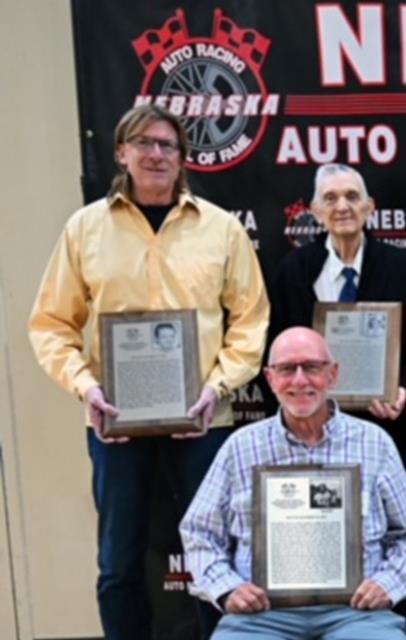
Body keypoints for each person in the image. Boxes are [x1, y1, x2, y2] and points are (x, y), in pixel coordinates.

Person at [28, 104, 269, 640]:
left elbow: (252, 321)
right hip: (115, 422)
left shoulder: (221, 228)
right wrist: (85, 386)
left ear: (183, 157)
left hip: (205, 418)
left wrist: (216, 386)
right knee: (119, 560)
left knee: (217, 557)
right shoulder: (84, 229)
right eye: (144, 143)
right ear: (121, 152)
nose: (156, 154)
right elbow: (50, 324)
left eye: (167, 145)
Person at [180, 327, 406, 639]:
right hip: (261, 616)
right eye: (287, 369)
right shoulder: (240, 447)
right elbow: (199, 531)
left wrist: (387, 583)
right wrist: (227, 588)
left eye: (312, 367)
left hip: (356, 614)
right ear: (270, 379)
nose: (300, 380)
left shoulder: (374, 442)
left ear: (333, 374)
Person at [268, 163, 406, 424]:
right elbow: (274, 348)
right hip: (309, 423)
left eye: (352, 197)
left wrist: (403, 389)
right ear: (316, 212)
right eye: (330, 198)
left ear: (370, 207)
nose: (343, 207)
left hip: (383, 422)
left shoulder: (401, 268)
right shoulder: (292, 272)